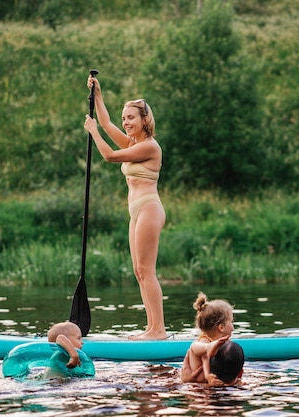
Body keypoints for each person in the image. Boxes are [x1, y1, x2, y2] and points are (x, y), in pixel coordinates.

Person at [84, 74, 167, 340]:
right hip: (136, 211)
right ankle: (151, 327)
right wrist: (98, 94)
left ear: (145, 120)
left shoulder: (150, 147)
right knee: (138, 271)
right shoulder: (133, 143)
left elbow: (108, 155)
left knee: (147, 270)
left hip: (149, 208)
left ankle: (159, 330)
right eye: (125, 118)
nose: (126, 122)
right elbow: (107, 123)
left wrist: (93, 131)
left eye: (131, 117)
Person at [181, 292, 244, 386]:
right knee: (196, 346)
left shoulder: (222, 344)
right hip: (198, 381)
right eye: (231, 322)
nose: (233, 327)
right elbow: (204, 357)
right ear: (221, 327)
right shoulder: (204, 340)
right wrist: (207, 376)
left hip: (204, 385)